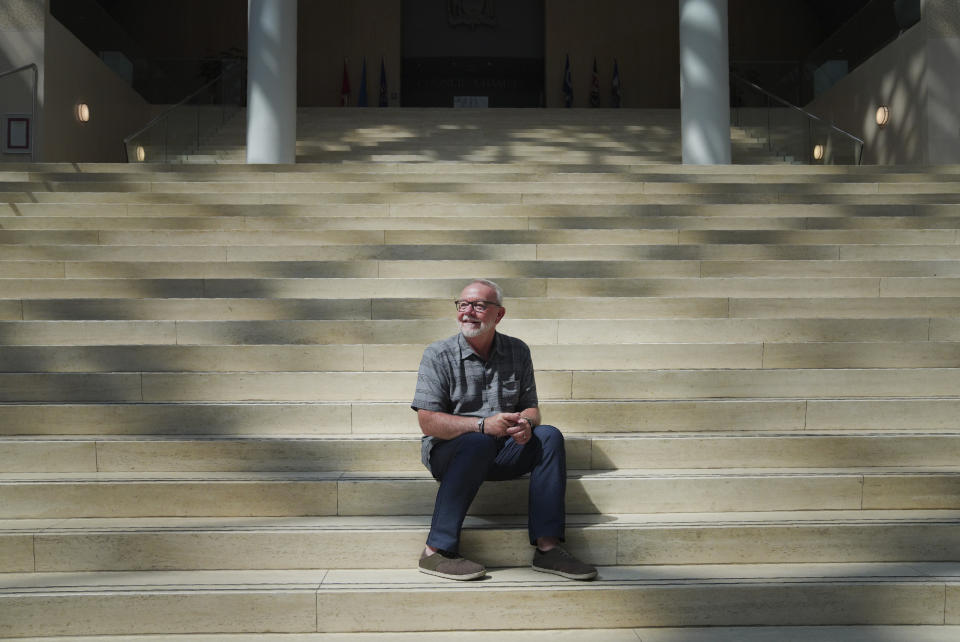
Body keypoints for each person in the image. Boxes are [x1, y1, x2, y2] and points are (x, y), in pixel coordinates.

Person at [411, 278, 597, 581]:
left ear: (499, 314)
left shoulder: (517, 351)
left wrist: (526, 424)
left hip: (504, 450)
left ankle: (548, 549)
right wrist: (482, 426)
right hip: (453, 453)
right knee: (477, 442)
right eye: (463, 304)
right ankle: (435, 551)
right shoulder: (438, 354)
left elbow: (531, 408)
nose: (468, 311)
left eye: (479, 305)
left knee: (549, 435)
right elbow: (428, 421)